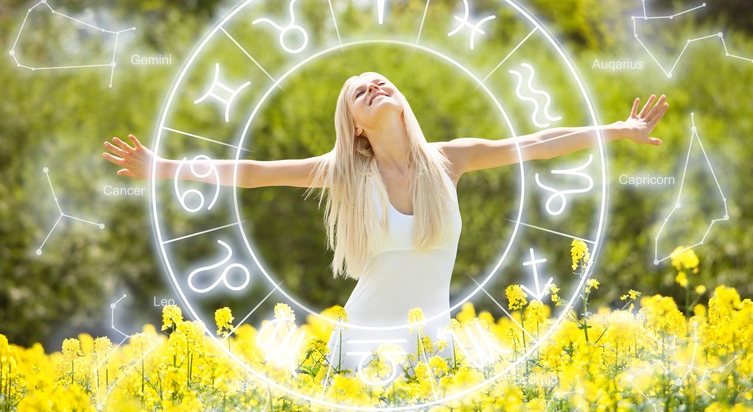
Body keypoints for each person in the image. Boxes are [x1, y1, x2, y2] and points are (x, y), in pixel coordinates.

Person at [103, 71, 667, 377]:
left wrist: (618, 130)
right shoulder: (346, 174)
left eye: (379, 81)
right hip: (362, 350)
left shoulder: (449, 160)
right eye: (358, 92)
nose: (374, 86)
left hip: (435, 351)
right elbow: (253, 172)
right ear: (354, 128)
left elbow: (537, 144)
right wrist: (165, 167)